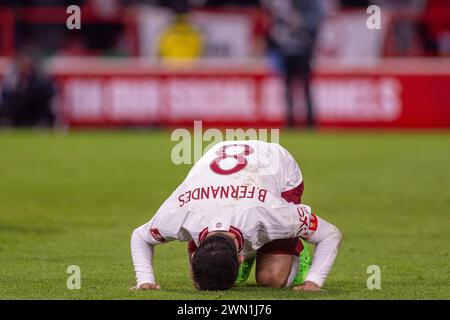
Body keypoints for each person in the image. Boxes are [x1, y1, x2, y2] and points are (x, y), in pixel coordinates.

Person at [131, 140, 342, 291]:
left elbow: (329, 234)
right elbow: (140, 236)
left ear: (240, 258)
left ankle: (295, 247)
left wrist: (313, 281)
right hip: (218, 165)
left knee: (273, 279)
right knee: (203, 281)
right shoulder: (180, 212)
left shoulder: (272, 213)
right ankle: (252, 252)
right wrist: (144, 280)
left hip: (276, 164)